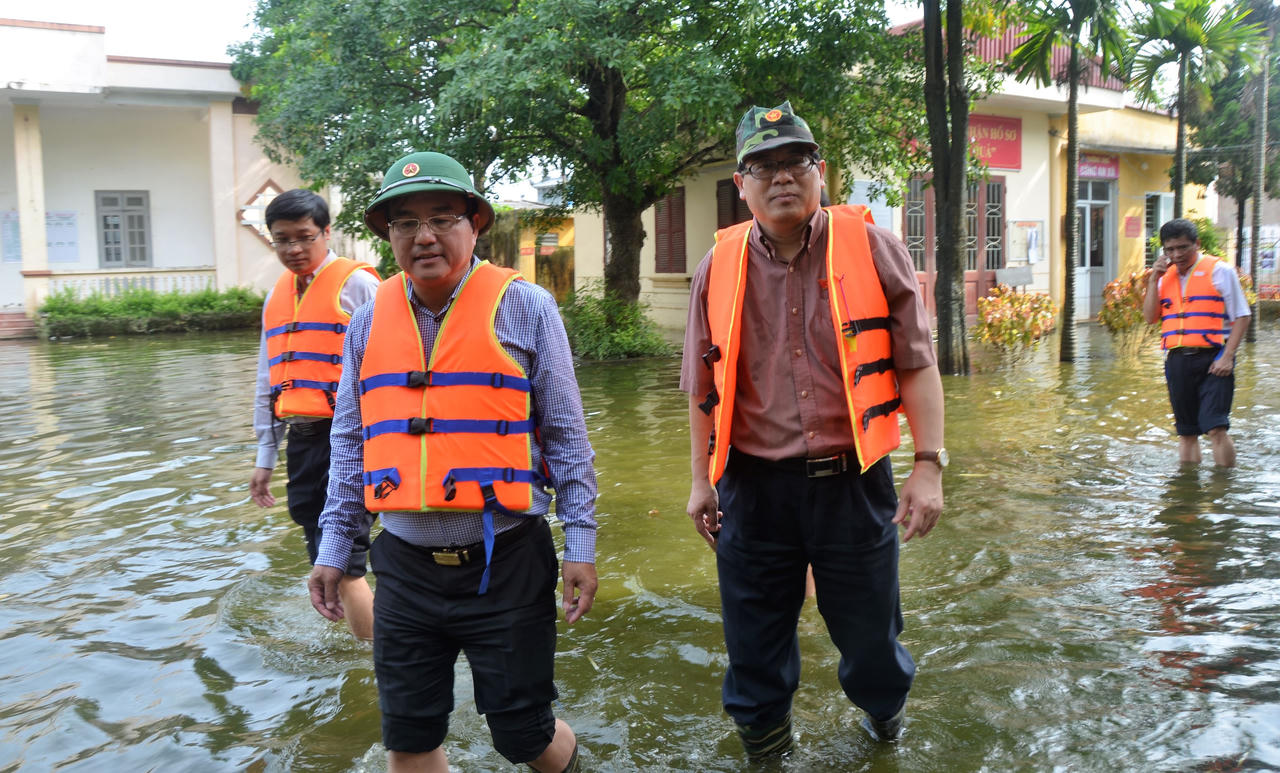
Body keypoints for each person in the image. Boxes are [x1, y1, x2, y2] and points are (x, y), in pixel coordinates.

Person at [307, 151, 597, 773]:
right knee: (408, 740)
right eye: (406, 223)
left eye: (442, 218)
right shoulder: (366, 322)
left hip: (508, 562)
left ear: (474, 223)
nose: (424, 236)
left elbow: (567, 439)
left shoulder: (528, 307)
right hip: (405, 569)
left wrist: (581, 544)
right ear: (388, 234)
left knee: (524, 737)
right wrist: (335, 549)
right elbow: (350, 445)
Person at [682, 101, 946, 758]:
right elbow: (703, 389)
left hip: (853, 484)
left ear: (819, 170)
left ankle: (884, 731)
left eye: (796, 160)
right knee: (753, 656)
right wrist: (700, 481)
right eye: (763, 166)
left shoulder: (874, 248)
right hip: (751, 489)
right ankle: (767, 750)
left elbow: (917, 364)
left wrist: (928, 465)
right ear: (740, 184)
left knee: (872, 646)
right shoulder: (718, 266)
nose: (782, 176)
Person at [249, 188, 380, 640]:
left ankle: (375, 662)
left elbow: (396, 359)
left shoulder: (359, 286)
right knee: (322, 549)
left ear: (326, 232)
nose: (294, 249)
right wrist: (266, 456)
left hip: (354, 436)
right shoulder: (276, 298)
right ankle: (364, 642)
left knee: (343, 560)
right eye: (282, 239)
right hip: (303, 439)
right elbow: (268, 379)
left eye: (305, 237)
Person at [1142, 218, 1251, 467]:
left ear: (1197, 244)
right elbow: (1150, 318)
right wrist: (1152, 280)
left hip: (1214, 358)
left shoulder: (1220, 271)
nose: (1176, 255)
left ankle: (1224, 486)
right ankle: (1188, 487)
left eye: (1183, 247)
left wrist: (1227, 357)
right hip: (1178, 360)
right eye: (1170, 249)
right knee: (1186, 432)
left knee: (1216, 428)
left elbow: (1243, 316)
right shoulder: (1164, 277)